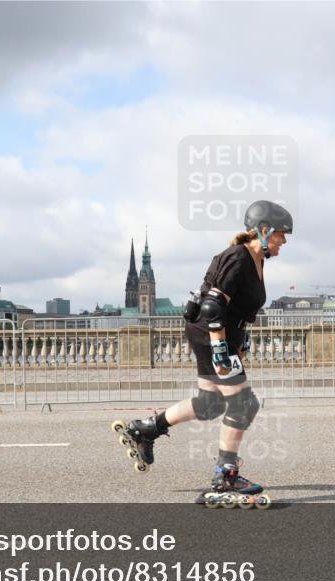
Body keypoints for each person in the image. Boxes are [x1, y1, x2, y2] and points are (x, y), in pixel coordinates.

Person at [112, 200, 292, 508]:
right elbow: (212, 306)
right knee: (244, 403)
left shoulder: (255, 258)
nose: (284, 241)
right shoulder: (239, 257)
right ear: (264, 231)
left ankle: (146, 429)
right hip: (211, 334)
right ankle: (226, 475)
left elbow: (236, 307)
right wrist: (221, 347)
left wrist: (239, 341)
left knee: (210, 404)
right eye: (281, 234)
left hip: (216, 334)